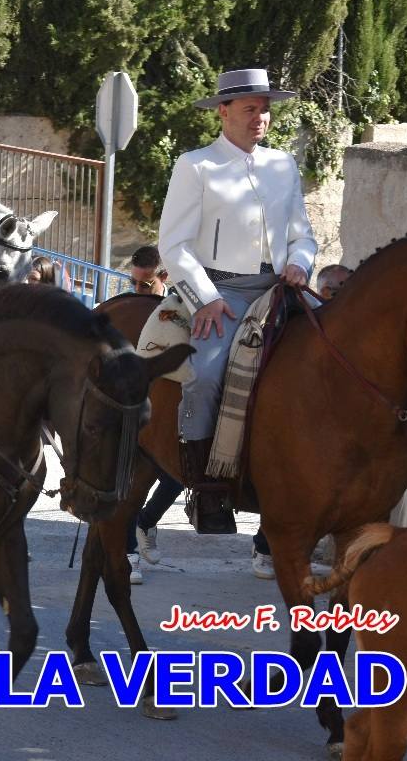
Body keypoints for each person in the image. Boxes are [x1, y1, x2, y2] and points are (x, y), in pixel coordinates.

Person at [158, 68, 317, 535]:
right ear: (223, 111)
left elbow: (302, 233)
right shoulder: (196, 165)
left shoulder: (283, 165)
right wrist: (204, 298)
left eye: (265, 109)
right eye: (251, 109)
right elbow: (174, 245)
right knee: (204, 376)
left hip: (280, 289)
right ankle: (206, 490)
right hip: (220, 292)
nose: (260, 118)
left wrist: (300, 265)